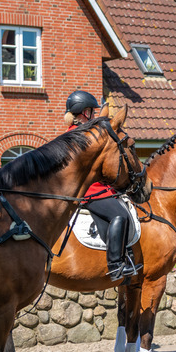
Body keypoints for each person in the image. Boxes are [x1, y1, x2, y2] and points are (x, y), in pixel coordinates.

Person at [65, 90, 140, 280]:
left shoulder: (74, 134)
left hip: (91, 188)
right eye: (91, 111)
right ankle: (116, 264)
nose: (93, 115)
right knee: (120, 214)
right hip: (89, 190)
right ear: (83, 112)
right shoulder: (79, 136)